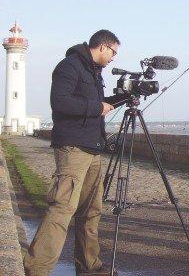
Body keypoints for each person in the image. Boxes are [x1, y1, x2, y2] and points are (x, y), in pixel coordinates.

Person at [24, 30, 129, 276]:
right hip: (73, 148)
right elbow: (60, 102)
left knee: (91, 212)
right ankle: (36, 269)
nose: (114, 58)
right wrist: (95, 106)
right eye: (113, 52)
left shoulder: (93, 72)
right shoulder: (69, 66)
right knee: (62, 209)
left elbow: (101, 104)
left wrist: (126, 97)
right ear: (102, 47)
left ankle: (89, 266)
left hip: (92, 149)